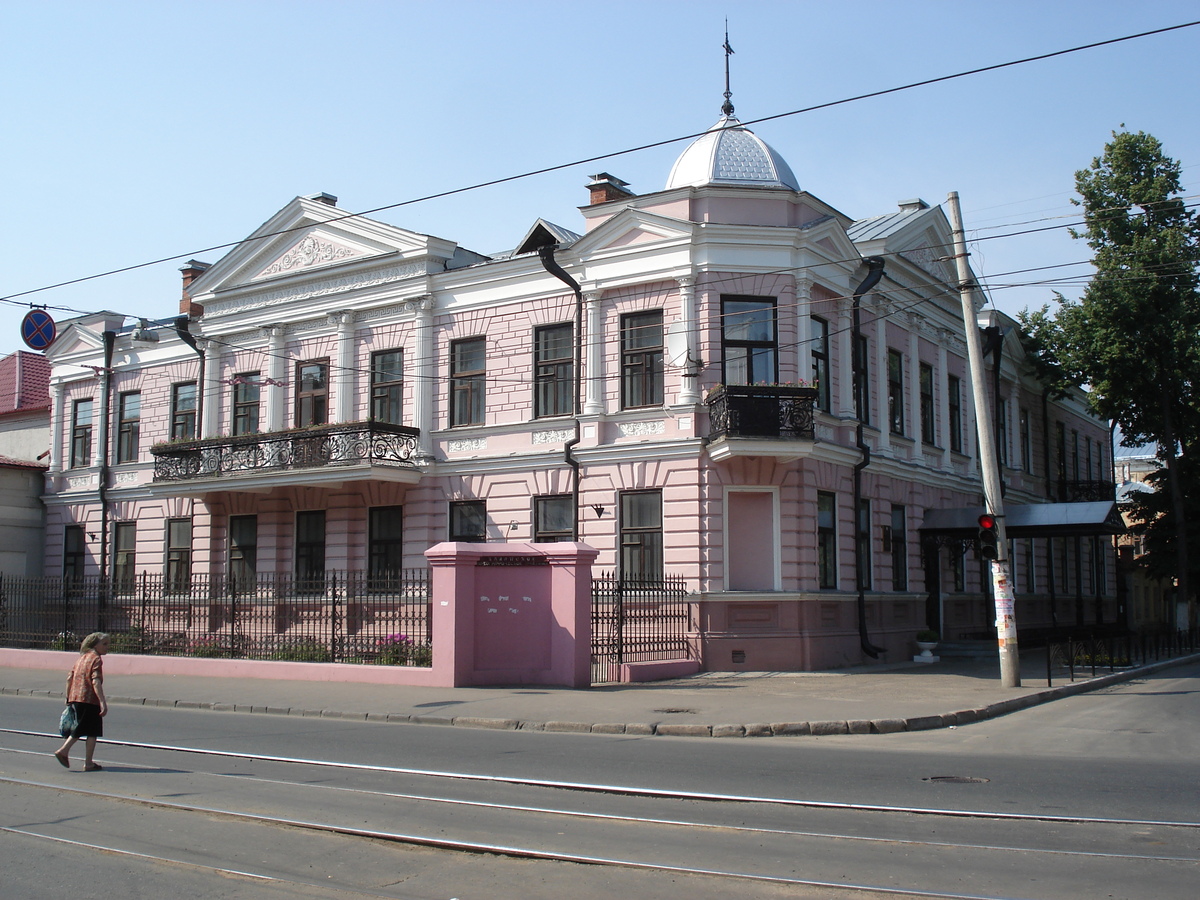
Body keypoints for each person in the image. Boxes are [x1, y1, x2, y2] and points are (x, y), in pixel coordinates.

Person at [54, 632, 110, 771]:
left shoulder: (81, 658)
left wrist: (68, 697)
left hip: (76, 697)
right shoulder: (95, 659)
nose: (107, 647)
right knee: (84, 728)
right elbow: (95, 681)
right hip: (89, 699)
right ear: (94, 644)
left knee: (91, 730)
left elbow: (69, 678)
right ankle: (64, 751)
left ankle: (89, 763)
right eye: (104, 644)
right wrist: (102, 702)